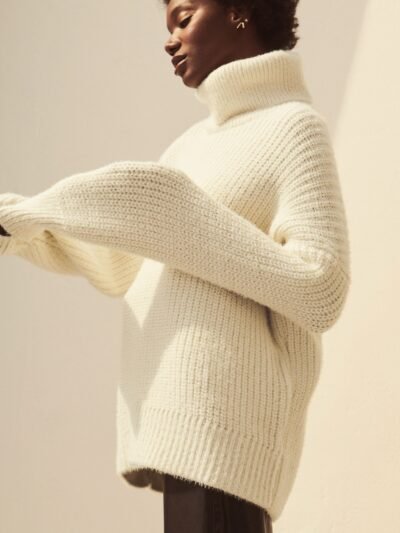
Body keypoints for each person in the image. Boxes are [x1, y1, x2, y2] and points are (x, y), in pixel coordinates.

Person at [0, 0, 351, 531]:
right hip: (176, 431)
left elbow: (321, 287)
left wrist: (179, 215)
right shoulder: (187, 148)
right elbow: (121, 264)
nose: (169, 41)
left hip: (228, 433)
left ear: (239, 11)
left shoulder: (293, 127)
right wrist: (25, 226)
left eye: (183, 19)